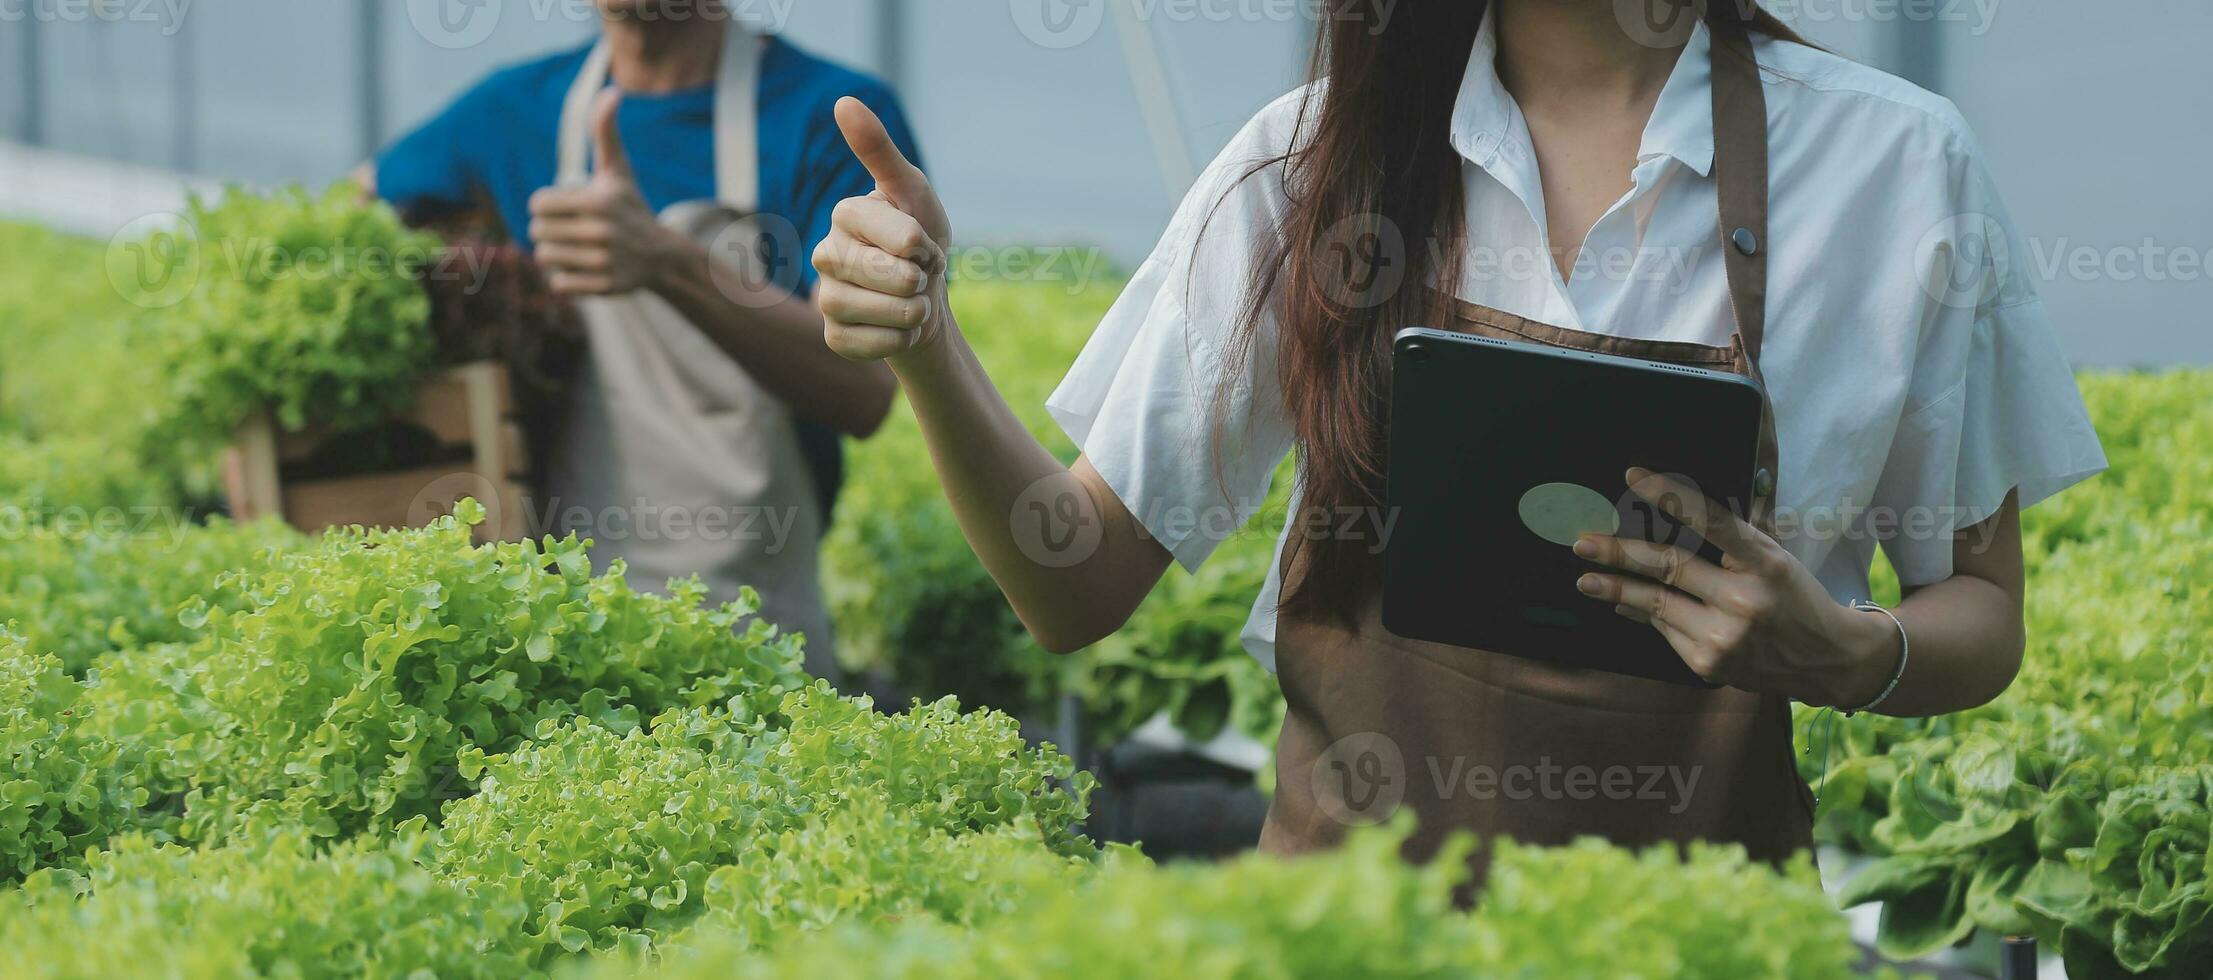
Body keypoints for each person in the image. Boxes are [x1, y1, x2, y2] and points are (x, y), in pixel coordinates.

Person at [810, 0, 2106, 881]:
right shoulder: (1310, 167)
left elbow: (1980, 610)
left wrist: (1844, 652)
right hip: (1350, 933)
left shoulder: (1895, 166)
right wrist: (927, 340)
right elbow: (1073, 579)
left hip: (1697, 936)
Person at [365, 0, 922, 677]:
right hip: (556, 637)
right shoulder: (513, 110)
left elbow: (865, 393)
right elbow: (350, 211)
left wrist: (665, 261)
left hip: (753, 646)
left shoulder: (829, 117)